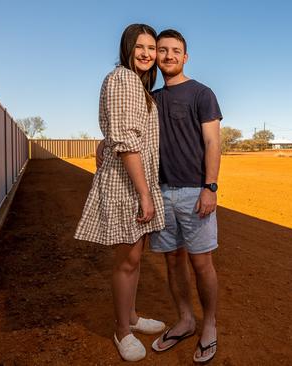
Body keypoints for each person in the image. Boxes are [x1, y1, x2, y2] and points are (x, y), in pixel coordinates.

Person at [75, 23, 166, 362]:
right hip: (127, 183)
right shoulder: (125, 80)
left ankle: (131, 316)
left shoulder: (136, 85)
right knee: (126, 261)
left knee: (134, 257)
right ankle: (122, 331)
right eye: (140, 46)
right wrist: (144, 194)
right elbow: (128, 142)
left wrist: (105, 140)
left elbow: (120, 132)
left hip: (135, 179)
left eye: (151, 48)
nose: (147, 53)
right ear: (127, 49)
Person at [149, 29, 222, 364]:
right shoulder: (152, 98)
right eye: (162, 50)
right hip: (161, 192)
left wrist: (210, 187)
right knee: (172, 260)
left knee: (201, 263)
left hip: (195, 192)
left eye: (175, 50)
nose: (168, 56)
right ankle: (185, 320)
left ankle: (209, 326)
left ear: (185, 56)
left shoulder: (202, 94)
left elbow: (212, 142)